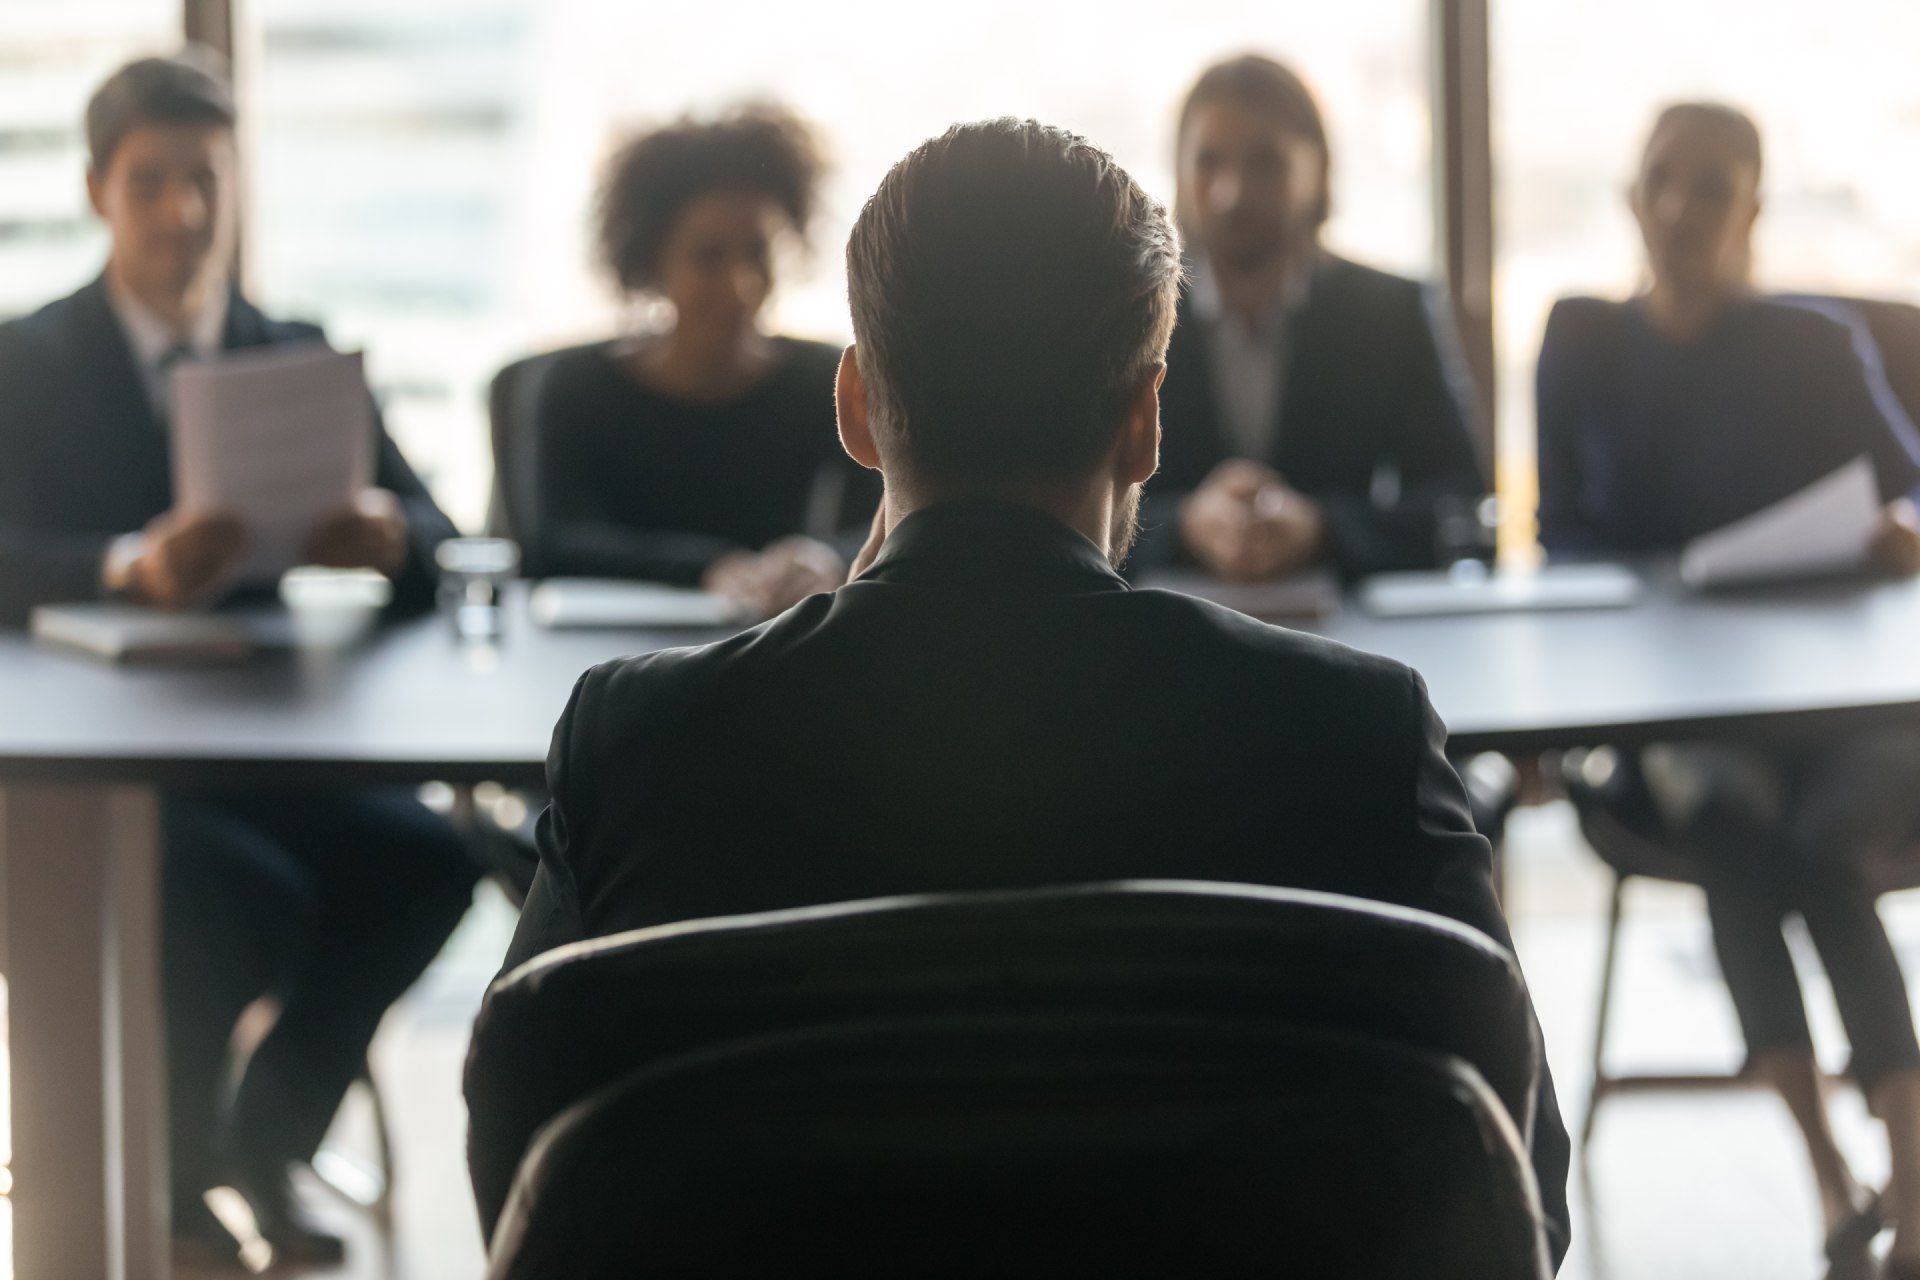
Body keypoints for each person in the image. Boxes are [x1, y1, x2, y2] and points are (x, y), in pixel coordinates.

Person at [490, 116, 1570, 1266]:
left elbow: (528, 1184)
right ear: (1146, 421)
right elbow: (1518, 1197)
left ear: (855, 406)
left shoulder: (645, 740)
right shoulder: (1354, 734)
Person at [0, 51, 479, 1267]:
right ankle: (169, 1180)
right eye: (153, 181)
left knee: (430, 860)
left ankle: (260, 1138)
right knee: (239, 895)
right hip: (107, 764)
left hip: (273, 739)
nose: (183, 213)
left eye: (205, 180)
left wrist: (383, 536)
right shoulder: (23, 361)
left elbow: (446, 541)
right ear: (100, 188)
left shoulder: (298, 354)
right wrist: (123, 564)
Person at [1538, 102, 1920, 1275]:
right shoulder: (1583, 340)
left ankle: (1854, 1174)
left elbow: (1908, 491)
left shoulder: (1812, 344)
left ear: (1752, 209)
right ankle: (1886, 1163)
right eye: (1665, 179)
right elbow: (1561, 538)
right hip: (1681, 715)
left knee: (1768, 837)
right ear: (1630, 192)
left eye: (1714, 186)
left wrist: (1898, 525)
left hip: (1830, 709)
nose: (1684, 208)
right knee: (1739, 820)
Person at [1139, 53, 1488, 582]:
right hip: (1168, 635)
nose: (1230, 192)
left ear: (1319, 169)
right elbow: (1073, 506)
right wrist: (1186, 525)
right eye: (1209, 161)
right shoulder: (1131, 314)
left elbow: (1464, 504)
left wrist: (1322, 529)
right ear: (1179, 173)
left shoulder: (1390, 313)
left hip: (1347, 638)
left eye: (1264, 162)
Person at [529, 106, 878, 617]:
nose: (740, 285)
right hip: (607, 656)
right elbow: (552, 542)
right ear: (653, 261)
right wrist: (707, 568)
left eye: (757, 254)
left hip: (769, 643)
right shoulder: (578, 388)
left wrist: (821, 559)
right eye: (708, 257)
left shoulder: (823, 382)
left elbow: (891, 521)